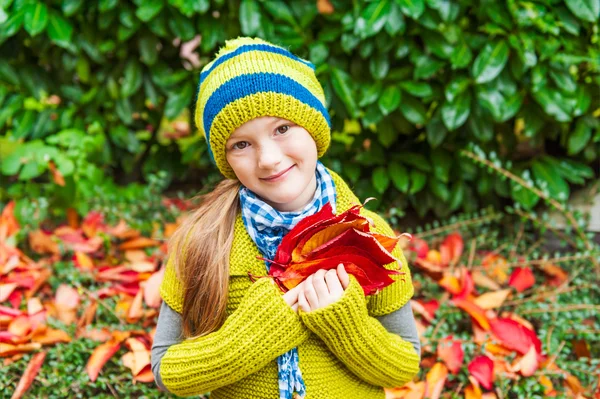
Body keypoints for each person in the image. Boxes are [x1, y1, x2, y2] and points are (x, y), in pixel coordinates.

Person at [151, 36, 421, 399]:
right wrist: (248, 339)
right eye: (241, 144)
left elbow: (403, 365)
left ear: (314, 128)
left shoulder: (368, 234)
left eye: (282, 129)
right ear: (225, 159)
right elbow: (165, 371)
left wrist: (345, 325)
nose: (269, 159)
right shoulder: (203, 241)